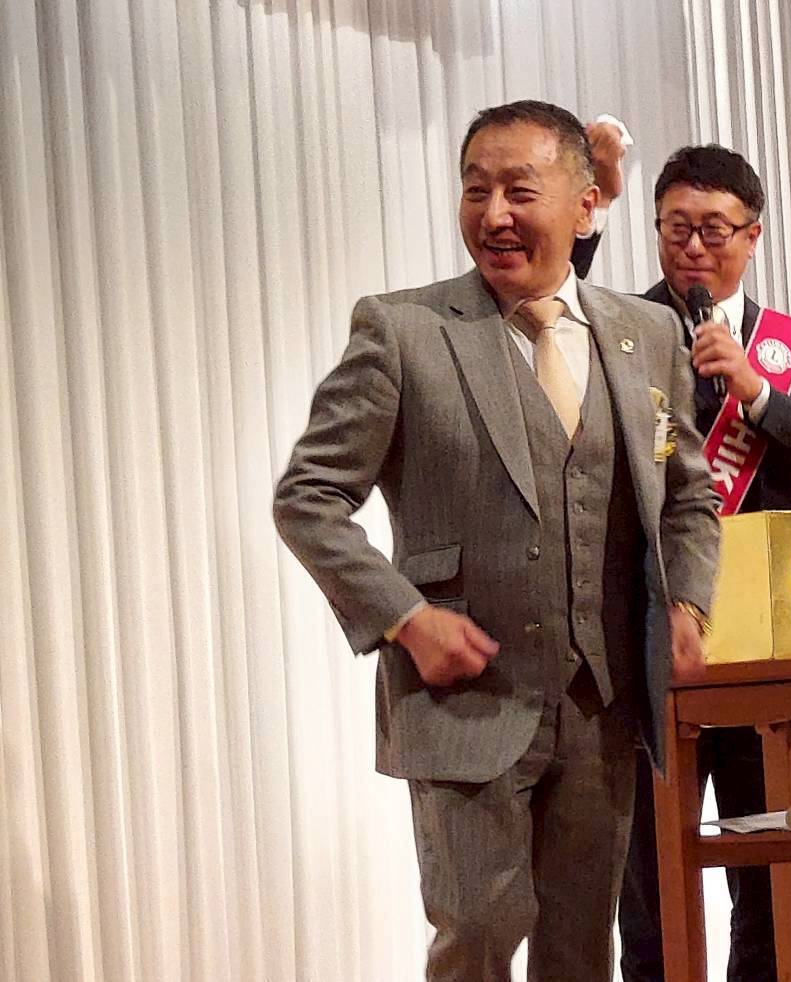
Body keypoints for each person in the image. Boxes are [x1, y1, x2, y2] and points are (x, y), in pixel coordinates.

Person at [272, 100, 721, 982]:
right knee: (476, 937)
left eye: (520, 190)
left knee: (580, 954)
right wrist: (406, 618)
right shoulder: (403, 332)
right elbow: (309, 497)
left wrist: (690, 603)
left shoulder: (649, 335)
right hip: (464, 707)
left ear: (586, 206)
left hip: (602, 709)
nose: (494, 214)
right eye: (476, 191)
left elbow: (687, 494)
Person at [575, 143, 791, 981]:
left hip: (759, 636)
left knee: (766, 863)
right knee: (649, 879)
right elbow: (548, 313)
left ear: (752, 235)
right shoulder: (617, 327)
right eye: (676, 229)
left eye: (713, 230)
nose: (694, 248)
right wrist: (589, 215)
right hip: (651, 626)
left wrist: (757, 393)